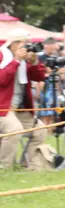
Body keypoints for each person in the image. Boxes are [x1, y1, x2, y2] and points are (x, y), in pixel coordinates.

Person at [0, 29, 48, 169]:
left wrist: (34, 63)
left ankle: (30, 165)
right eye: (24, 44)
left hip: (20, 108)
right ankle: (4, 168)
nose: (27, 47)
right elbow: (2, 79)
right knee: (15, 129)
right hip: (3, 108)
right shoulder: (2, 55)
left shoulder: (24, 59)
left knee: (40, 130)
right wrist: (16, 61)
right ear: (14, 44)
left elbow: (39, 77)